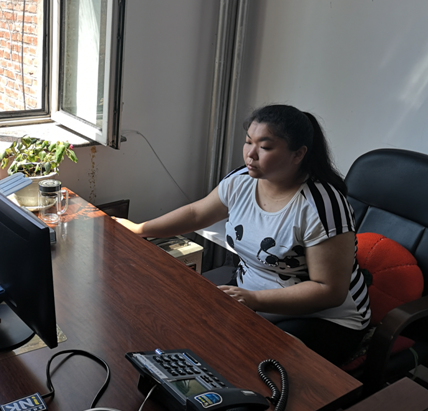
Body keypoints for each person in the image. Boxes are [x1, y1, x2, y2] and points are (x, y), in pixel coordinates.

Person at [115, 104, 371, 365]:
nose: (251, 154)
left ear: (298, 154)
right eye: (248, 142)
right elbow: (196, 214)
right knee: (180, 330)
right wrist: (140, 229)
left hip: (322, 317)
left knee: (253, 364)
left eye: (265, 147)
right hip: (249, 297)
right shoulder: (242, 180)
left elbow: (328, 290)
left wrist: (254, 299)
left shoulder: (322, 206)